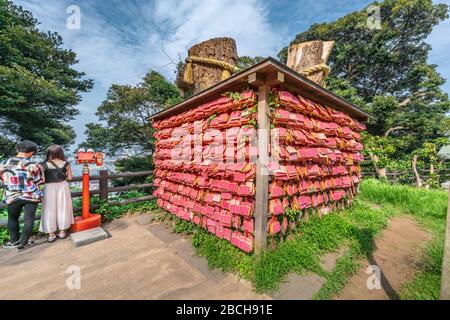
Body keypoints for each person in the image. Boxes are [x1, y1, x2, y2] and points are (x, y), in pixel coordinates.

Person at [0, 140, 44, 251]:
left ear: (17, 149)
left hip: (12, 195)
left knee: (12, 218)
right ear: (31, 152)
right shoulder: (33, 165)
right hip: (31, 195)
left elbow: (3, 178)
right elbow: (40, 180)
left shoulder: (4, 163)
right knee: (29, 219)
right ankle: (23, 244)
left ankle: (14, 241)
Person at [39, 145, 74, 242]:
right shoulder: (66, 163)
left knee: (49, 209)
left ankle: (51, 234)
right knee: (63, 208)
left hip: (49, 187)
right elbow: (70, 178)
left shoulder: (43, 164)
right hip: (62, 186)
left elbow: (43, 179)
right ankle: (62, 232)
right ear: (60, 152)